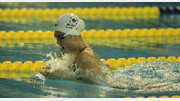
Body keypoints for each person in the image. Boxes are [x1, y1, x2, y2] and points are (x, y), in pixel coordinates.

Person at [40, 13, 107, 84]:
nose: (57, 42)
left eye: (60, 37)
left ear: (74, 35)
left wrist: (63, 76)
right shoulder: (65, 51)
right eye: (56, 37)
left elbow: (95, 85)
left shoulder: (87, 57)